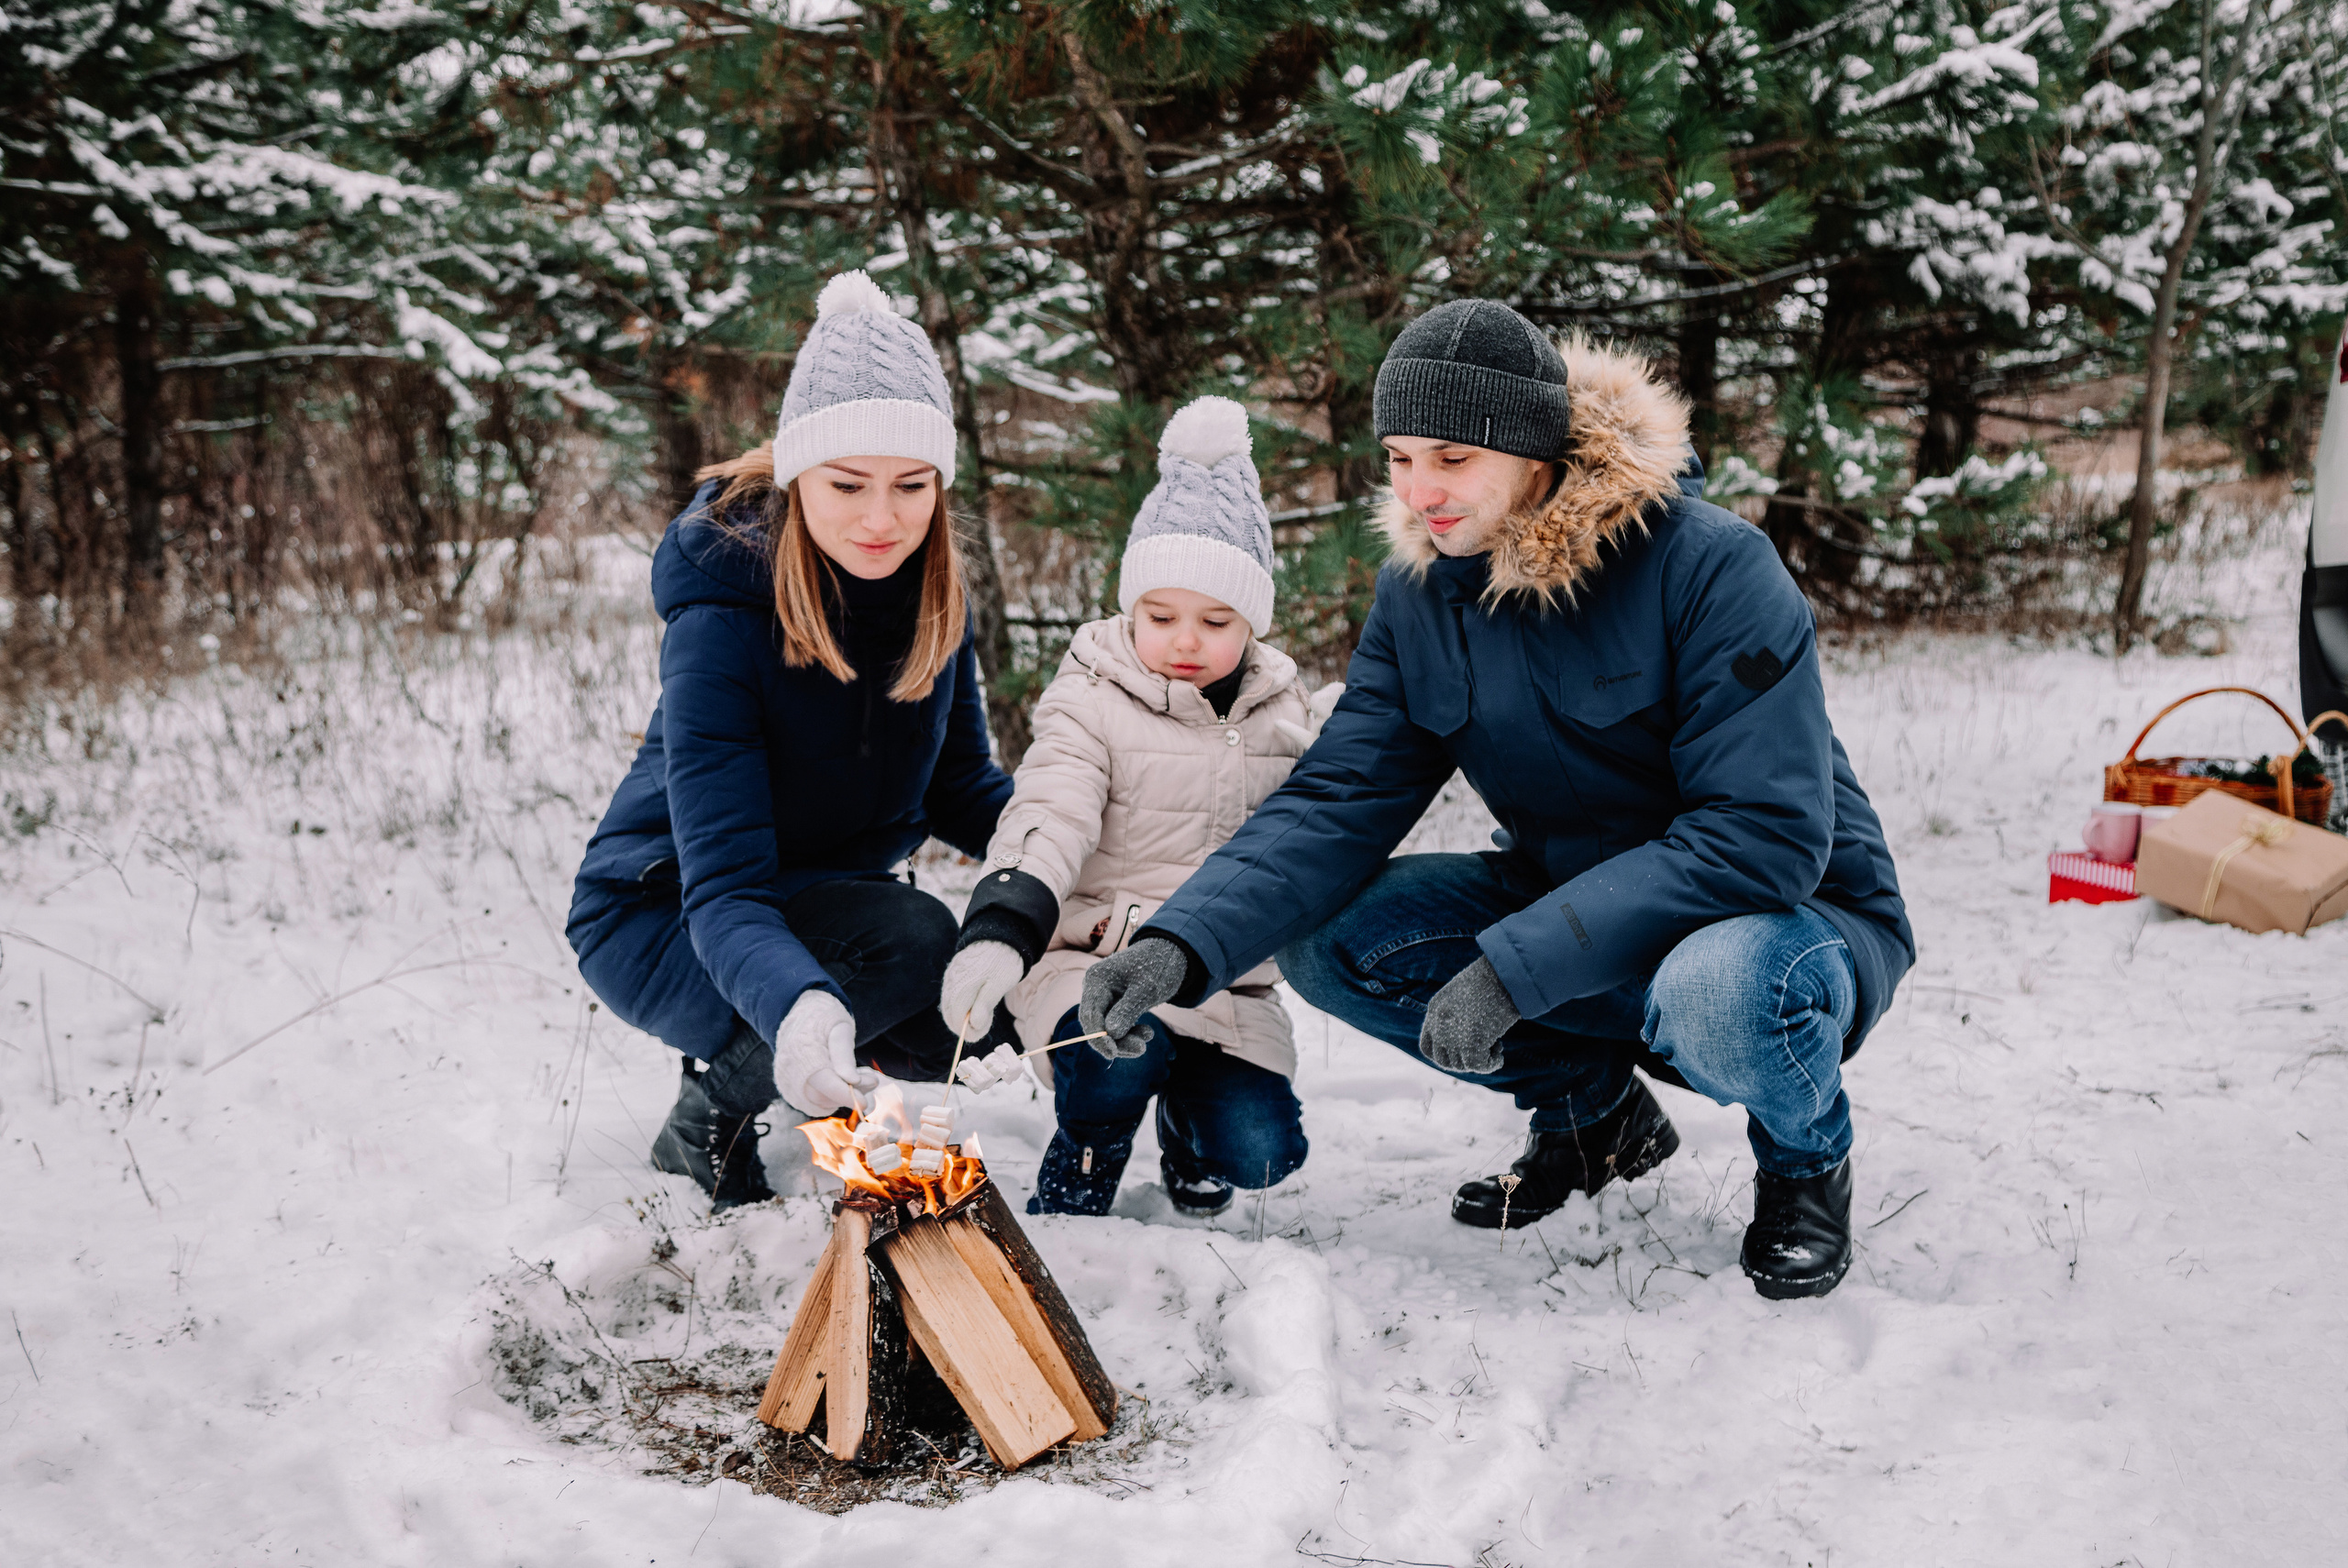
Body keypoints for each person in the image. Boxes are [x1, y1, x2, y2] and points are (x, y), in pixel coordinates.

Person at [1079, 302, 1913, 1299]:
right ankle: (1591, 1121)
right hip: (1574, 906)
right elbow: (1341, 797)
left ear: (1532, 453)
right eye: (1396, 458)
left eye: (1449, 457)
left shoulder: (1708, 565)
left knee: (1717, 986)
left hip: (1783, 924)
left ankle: (1804, 1161)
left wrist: (1517, 969)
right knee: (1334, 940)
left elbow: (1761, 839)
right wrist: (1180, 944)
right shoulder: (1424, 594)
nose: (1418, 491)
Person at [566, 270, 1013, 1211]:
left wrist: (1070, 870)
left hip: (822, 906)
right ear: (799, 475)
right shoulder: (723, 618)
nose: (881, 518)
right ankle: (706, 1125)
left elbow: (964, 790)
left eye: (911, 485)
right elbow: (723, 886)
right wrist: (805, 1008)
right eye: (847, 484)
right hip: (666, 911)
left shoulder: (936, 597)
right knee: (912, 944)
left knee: (978, 995)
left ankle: (847, 1113)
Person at [933, 397, 1341, 1218]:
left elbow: (1320, 833)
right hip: (1090, 961)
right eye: (1161, 616)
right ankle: (1085, 1162)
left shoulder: (1283, 712)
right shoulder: (1093, 696)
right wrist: (999, 926)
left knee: (1263, 1150)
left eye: (1214, 620)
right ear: (1130, 609)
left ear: (1253, 622)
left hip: (1223, 988)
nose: (1184, 640)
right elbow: (1051, 810)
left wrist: (1344, 747)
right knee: (1115, 1064)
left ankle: (1194, 1138)